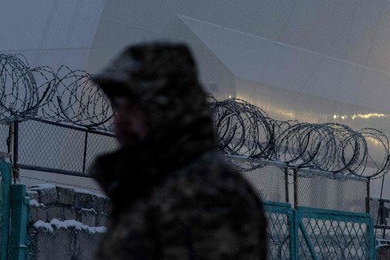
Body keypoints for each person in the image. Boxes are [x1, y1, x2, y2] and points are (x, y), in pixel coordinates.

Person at [88, 41, 268, 259]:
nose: (118, 122)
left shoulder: (207, 195)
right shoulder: (152, 187)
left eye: (133, 108)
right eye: (119, 107)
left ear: (166, 110)